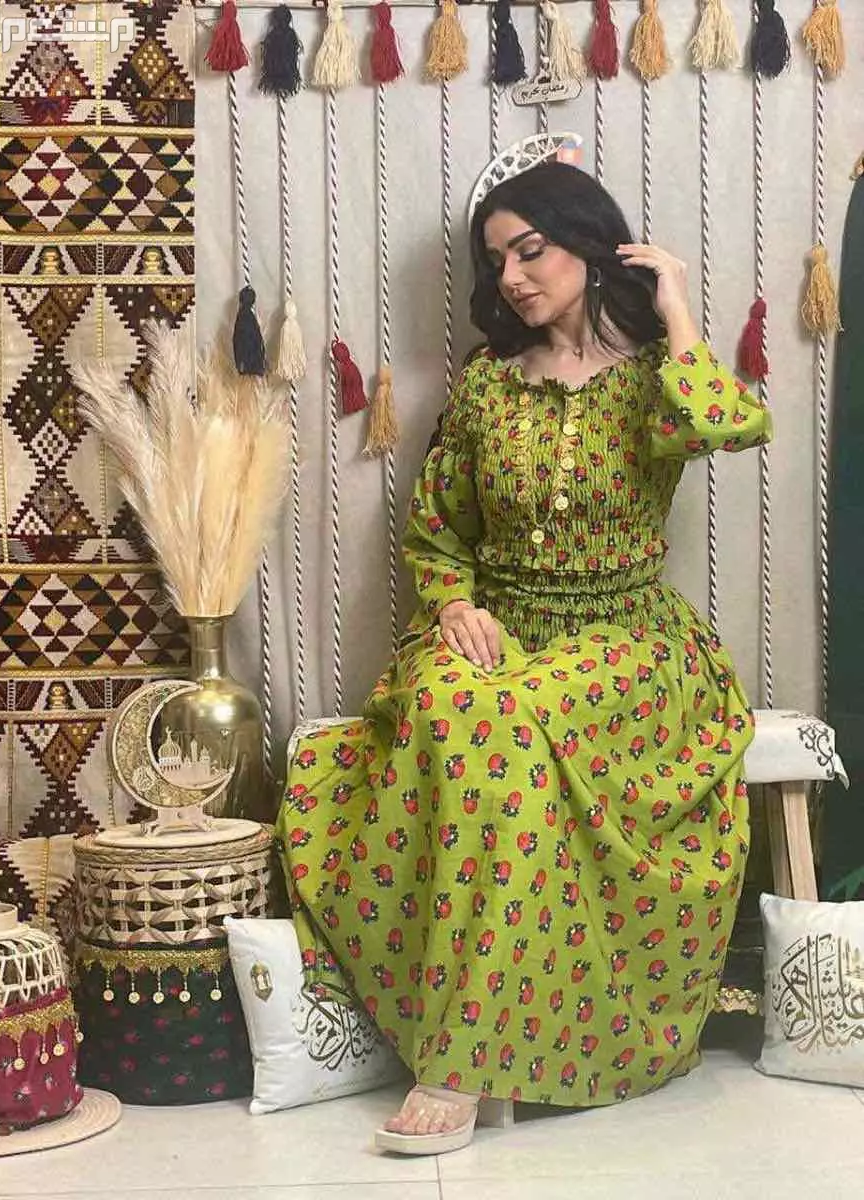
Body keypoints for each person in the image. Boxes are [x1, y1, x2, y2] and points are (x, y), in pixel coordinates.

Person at [276, 156, 772, 1156]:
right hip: (499, 625)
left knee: (500, 724)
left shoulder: (656, 379)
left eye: (530, 250)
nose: (509, 277)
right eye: (495, 260)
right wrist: (455, 603)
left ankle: (461, 1063)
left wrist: (674, 305)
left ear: (589, 242)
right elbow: (437, 530)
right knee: (454, 708)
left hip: (627, 642)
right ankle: (471, 1033)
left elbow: (728, 424)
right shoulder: (487, 388)